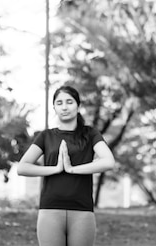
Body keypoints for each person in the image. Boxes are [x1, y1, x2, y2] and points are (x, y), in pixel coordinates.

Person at [17, 85, 115, 246]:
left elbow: (108, 161)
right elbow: (23, 167)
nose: (64, 107)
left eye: (69, 102)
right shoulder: (46, 136)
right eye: (59, 103)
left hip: (82, 210)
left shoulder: (91, 134)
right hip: (50, 209)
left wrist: (72, 169)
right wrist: (55, 169)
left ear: (78, 106)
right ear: (54, 107)